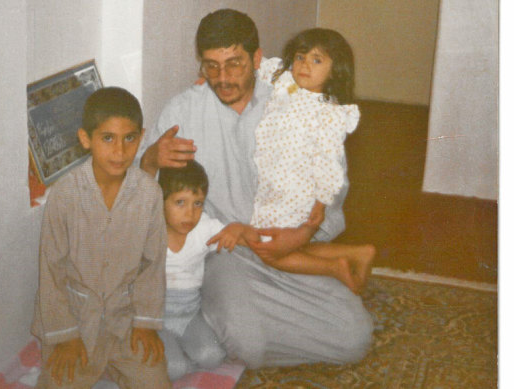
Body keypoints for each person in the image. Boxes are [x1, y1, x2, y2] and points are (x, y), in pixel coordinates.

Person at [138, 8, 373, 368]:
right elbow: (138, 194)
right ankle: (217, 311)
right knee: (250, 344)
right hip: (226, 252)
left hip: (287, 247)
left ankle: (211, 313)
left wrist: (301, 236)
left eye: (234, 63)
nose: (223, 78)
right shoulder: (183, 111)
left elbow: (330, 193)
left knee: (354, 339)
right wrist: (152, 160)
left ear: (257, 59)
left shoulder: (296, 99)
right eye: (211, 66)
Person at [31, 87, 170, 388]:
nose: (120, 151)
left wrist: (145, 323)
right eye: (108, 138)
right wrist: (66, 336)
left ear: (141, 136)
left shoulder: (149, 194)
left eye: (129, 138)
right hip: (76, 324)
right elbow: (51, 271)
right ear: (85, 139)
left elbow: (153, 264)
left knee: (157, 381)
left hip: (126, 321)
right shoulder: (65, 195)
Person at [249, 28, 375, 295]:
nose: (305, 65)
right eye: (300, 57)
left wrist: (321, 201)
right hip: (273, 186)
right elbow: (256, 64)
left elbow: (329, 162)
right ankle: (358, 253)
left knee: (268, 248)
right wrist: (208, 76)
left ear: (334, 70)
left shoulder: (329, 113)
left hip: (296, 193)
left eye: (317, 60)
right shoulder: (284, 82)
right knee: (291, 244)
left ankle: (335, 267)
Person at [157, 159, 256, 379]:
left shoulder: (204, 228)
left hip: (190, 314)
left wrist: (237, 228)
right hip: (157, 320)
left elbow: (250, 239)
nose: (190, 213)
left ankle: (182, 353)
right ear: (161, 201)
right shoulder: (149, 230)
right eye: (180, 202)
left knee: (213, 356)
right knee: (174, 369)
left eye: (198, 203)